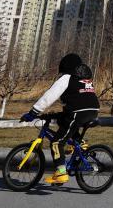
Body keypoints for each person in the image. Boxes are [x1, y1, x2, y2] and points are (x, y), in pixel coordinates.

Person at [21, 53, 99, 185]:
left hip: (77, 112)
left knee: (56, 142)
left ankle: (61, 173)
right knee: (64, 121)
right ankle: (79, 143)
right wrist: (53, 115)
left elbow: (49, 96)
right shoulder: (85, 79)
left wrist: (34, 112)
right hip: (93, 111)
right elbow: (77, 99)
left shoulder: (67, 78)